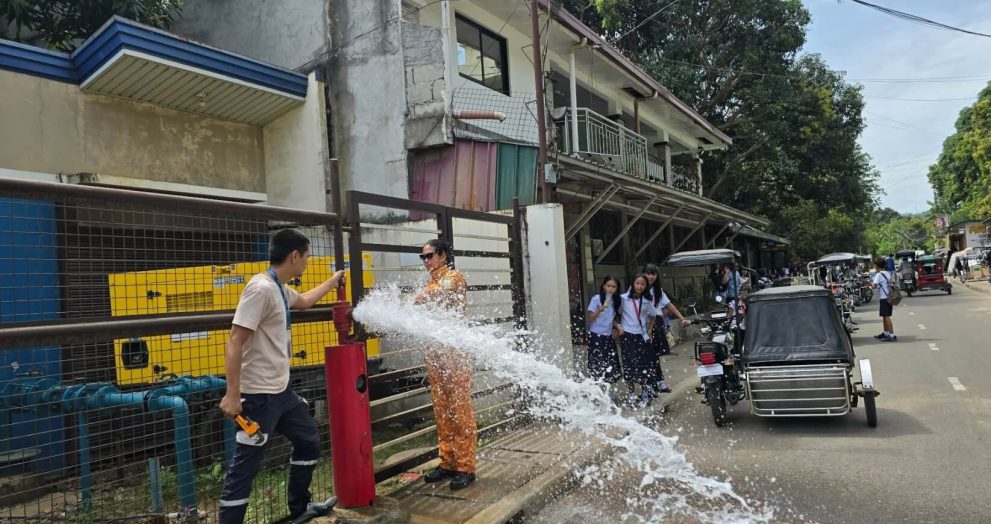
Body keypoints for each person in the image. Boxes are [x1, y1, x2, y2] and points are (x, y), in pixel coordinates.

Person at [218, 229, 345, 524]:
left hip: (281, 392)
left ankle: (300, 508)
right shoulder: (260, 289)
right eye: (307, 257)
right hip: (258, 396)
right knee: (245, 468)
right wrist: (232, 394)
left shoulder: (279, 289)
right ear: (294, 256)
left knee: (309, 439)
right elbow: (235, 340)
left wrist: (332, 281)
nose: (307, 263)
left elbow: (305, 301)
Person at [415, 239, 477, 491]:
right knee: (442, 411)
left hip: (454, 357)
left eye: (429, 256)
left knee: (460, 411)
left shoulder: (454, 278)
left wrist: (411, 300)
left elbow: (436, 294)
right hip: (435, 356)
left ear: (442, 256)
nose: (426, 261)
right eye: (423, 257)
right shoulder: (430, 283)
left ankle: (465, 467)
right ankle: (447, 462)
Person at [617, 274, 658, 407]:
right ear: (632, 284)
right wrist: (618, 326)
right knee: (629, 364)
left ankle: (645, 391)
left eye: (642, 284)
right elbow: (616, 313)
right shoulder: (623, 299)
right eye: (637, 283)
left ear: (646, 286)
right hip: (627, 336)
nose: (640, 286)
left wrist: (650, 329)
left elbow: (653, 316)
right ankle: (631, 393)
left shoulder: (646, 301)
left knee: (643, 364)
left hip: (641, 336)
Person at [586, 276, 623, 382]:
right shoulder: (596, 299)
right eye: (608, 286)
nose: (610, 288)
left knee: (610, 363)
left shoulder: (616, 301)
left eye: (613, 287)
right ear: (604, 286)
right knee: (596, 362)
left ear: (617, 289)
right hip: (596, 334)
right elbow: (590, 318)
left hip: (608, 335)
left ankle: (607, 385)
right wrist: (601, 307)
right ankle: (596, 384)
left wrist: (617, 326)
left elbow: (611, 318)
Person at [872, 258, 896, 342]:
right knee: (885, 316)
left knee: (886, 316)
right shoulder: (887, 273)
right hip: (889, 297)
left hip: (884, 298)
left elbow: (874, 286)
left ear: (877, 266)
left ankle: (892, 335)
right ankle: (886, 333)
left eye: (875, 265)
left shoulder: (879, 275)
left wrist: (870, 283)